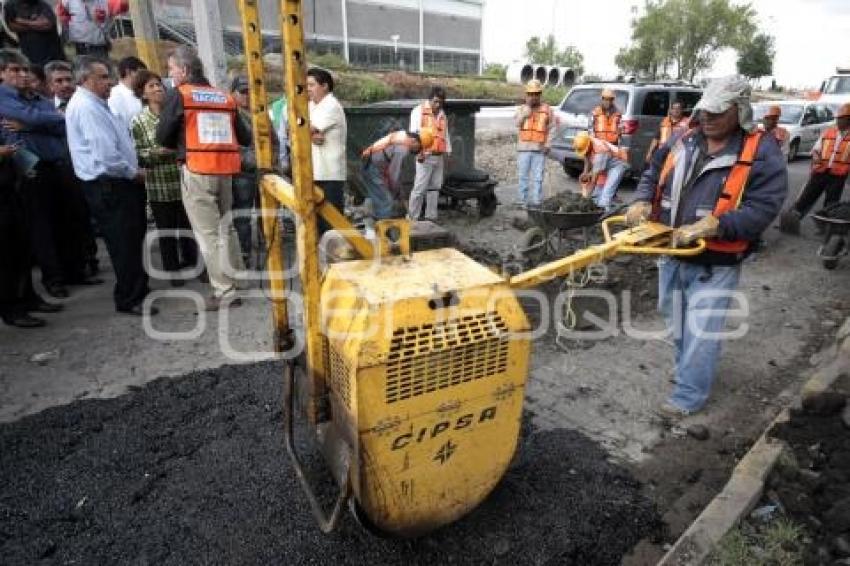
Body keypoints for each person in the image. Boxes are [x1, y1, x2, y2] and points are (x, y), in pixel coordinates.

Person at [625, 75, 787, 417]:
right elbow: (653, 172)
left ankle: (688, 397)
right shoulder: (685, 137)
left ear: (740, 110)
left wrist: (718, 224)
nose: (707, 118)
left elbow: (764, 207)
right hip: (669, 249)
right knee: (676, 319)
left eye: (717, 112)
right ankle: (688, 369)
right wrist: (641, 200)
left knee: (701, 330)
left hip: (715, 261)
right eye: (704, 111)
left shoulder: (761, 151)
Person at [156, 46, 251, 311]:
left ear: (185, 71)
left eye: (172, 69)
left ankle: (225, 291)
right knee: (226, 227)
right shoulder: (224, 97)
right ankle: (238, 279)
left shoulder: (181, 95)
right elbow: (245, 137)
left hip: (198, 169)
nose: (171, 75)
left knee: (208, 234)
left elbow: (162, 135)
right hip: (226, 171)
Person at [0, 48, 97, 297]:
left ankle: (74, 271)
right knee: (42, 227)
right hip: (32, 169)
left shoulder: (38, 98)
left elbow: (62, 124)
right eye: (15, 70)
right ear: (2, 74)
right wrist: (43, 120)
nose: (22, 75)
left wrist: (31, 125)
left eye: (24, 70)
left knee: (67, 220)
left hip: (58, 165)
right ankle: (54, 279)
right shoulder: (4, 97)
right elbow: (33, 117)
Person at [66, 56, 153, 316]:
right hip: (111, 184)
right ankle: (129, 297)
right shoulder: (86, 107)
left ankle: (137, 288)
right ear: (85, 79)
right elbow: (106, 156)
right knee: (123, 242)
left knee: (131, 238)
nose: (109, 82)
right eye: (102, 77)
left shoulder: (96, 104)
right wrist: (132, 173)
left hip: (118, 182)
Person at [130, 69, 196, 286]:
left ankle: (192, 263)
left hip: (182, 180)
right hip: (159, 184)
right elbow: (138, 154)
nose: (158, 88)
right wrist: (156, 153)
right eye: (151, 86)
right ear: (142, 93)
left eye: (159, 84)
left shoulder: (175, 113)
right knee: (167, 230)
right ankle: (172, 271)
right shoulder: (138, 121)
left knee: (188, 227)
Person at [0, 128, 62, 327]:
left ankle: (28, 298)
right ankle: (12, 309)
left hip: (10, 191)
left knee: (21, 250)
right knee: (6, 257)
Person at [779, 102, 850, 235]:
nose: (838, 121)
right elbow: (816, 149)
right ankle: (793, 219)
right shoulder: (829, 132)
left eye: (841, 118)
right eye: (838, 118)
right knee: (807, 196)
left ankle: (825, 228)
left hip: (838, 175)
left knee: (831, 202)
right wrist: (816, 157)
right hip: (821, 171)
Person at [306, 67, 347, 233]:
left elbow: (306, 128)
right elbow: (294, 127)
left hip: (329, 174)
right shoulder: (309, 105)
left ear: (325, 86)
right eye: (307, 85)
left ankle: (338, 258)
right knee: (317, 222)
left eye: (311, 85)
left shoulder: (331, 105)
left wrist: (307, 132)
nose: (308, 89)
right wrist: (309, 135)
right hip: (314, 171)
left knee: (331, 223)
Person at [360, 128, 432, 220]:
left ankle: (374, 223)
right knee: (386, 201)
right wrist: (398, 190)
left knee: (381, 197)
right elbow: (393, 174)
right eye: (420, 147)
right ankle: (384, 229)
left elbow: (393, 172)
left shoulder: (402, 136)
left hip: (372, 166)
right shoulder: (402, 149)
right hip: (372, 168)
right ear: (414, 140)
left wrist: (398, 188)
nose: (418, 150)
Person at [408, 85, 451, 221]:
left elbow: (445, 134)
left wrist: (448, 152)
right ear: (430, 99)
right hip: (424, 156)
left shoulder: (442, 114)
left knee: (435, 188)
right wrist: (419, 152)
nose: (438, 105)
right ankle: (412, 217)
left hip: (438, 157)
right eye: (435, 101)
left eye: (440, 102)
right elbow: (414, 134)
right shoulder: (418, 111)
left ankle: (431, 217)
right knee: (419, 188)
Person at [515, 79, 556, 206]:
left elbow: (552, 128)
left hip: (540, 149)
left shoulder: (547, 109)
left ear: (540, 95)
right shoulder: (522, 109)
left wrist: (548, 145)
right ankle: (522, 200)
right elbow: (517, 123)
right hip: (524, 148)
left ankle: (536, 201)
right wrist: (524, 115)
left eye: (536, 94)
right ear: (527, 95)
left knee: (538, 177)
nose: (533, 97)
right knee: (523, 176)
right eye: (531, 94)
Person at [231, 75, 258, 266]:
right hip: (242, 172)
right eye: (243, 93)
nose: (247, 97)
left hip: (259, 170)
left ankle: (265, 247)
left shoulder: (258, 113)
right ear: (233, 93)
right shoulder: (232, 115)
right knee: (242, 216)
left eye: (250, 93)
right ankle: (244, 254)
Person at [573, 131, 628, 211]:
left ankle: (604, 215)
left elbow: (593, 181)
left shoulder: (600, 151)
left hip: (617, 165)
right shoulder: (587, 141)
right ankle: (602, 208)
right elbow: (587, 158)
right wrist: (585, 173)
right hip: (605, 164)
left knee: (606, 195)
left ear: (588, 145)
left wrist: (585, 199)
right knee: (596, 196)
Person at [3, 0, 63, 66]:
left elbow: (48, 25)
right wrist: (36, 24)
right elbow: (12, 27)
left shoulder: (43, 4)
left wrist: (22, 22)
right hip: (30, 51)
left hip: (52, 51)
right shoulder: (11, 5)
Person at [108, 56, 145, 130]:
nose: (143, 77)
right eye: (140, 73)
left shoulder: (140, 92)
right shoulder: (115, 95)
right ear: (129, 72)